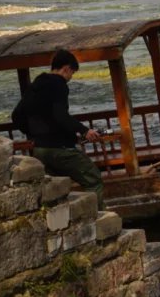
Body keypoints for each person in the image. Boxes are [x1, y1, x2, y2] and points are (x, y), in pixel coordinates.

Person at [12, 49, 105, 209]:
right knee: (93, 178)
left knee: (56, 189)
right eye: (72, 73)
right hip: (60, 148)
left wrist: (34, 134)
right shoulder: (59, 84)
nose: (70, 78)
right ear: (66, 69)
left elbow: (16, 116)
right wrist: (84, 130)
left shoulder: (35, 86)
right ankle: (97, 218)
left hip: (39, 149)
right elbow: (60, 115)